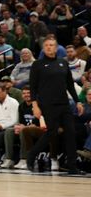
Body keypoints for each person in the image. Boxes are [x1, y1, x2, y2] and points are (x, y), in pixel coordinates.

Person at [27, 37, 85, 174]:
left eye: (51, 45)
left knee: (70, 133)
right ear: (43, 48)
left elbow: (70, 84)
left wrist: (78, 102)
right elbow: (33, 87)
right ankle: (31, 154)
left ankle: (72, 165)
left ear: (56, 48)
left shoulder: (63, 63)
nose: (48, 47)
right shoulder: (38, 65)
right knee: (51, 132)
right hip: (48, 104)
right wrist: (35, 106)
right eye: (46, 45)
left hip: (64, 103)